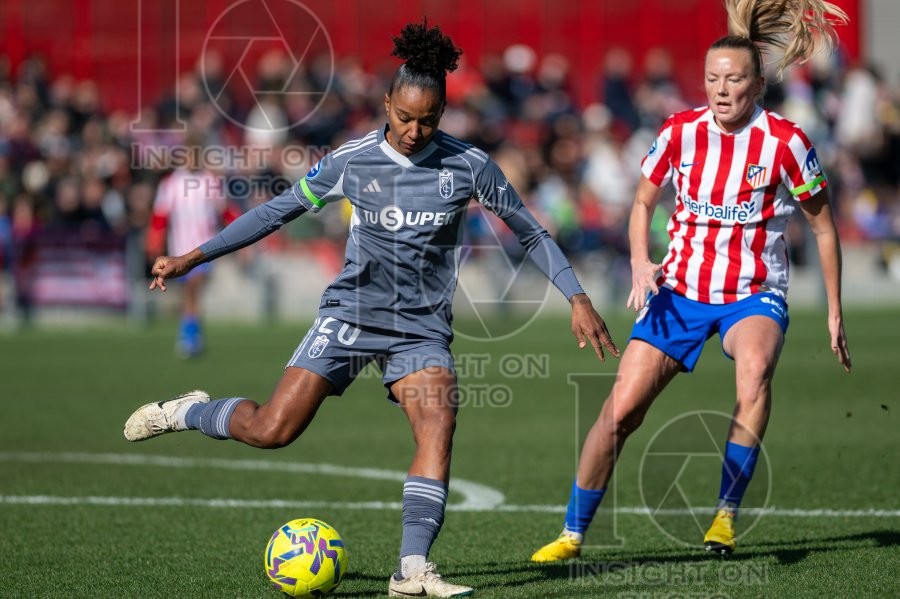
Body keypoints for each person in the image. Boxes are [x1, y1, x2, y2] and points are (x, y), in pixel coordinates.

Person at [123, 22, 619, 598]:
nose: (413, 130)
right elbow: (277, 212)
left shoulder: (469, 165)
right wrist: (193, 256)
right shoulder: (352, 160)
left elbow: (531, 233)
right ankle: (190, 412)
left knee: (439, 422)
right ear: (387, 104)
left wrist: (578, 298)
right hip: (351, 315)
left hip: (420, 330)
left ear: (442, 113)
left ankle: (412, 569)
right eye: (404, 117)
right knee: (271, 430)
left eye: (427, 120)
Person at [531, 0, 852, 563]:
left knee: (753, 375)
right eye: (712, 78)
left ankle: (724, 518)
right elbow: (641, 200)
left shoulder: (786, 143)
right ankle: (572, 534)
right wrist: (638, 259)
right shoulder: (680, 131)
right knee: (620, 412)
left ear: (757, 84)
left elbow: (823, 227)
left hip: (753, 292)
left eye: (733, 79)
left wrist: (833, 310)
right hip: (679, 291)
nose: (720, 89)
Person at [146, 142, 237, 357]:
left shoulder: (210, 180)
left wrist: (242, 231)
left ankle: (189, 337)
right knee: (189, 293)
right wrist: (154, 241)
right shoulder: (171, 183)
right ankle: (192, 334)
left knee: (193, 288)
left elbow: (225, 210)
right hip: (179, 249)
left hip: (205, 248)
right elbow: (160, 216)